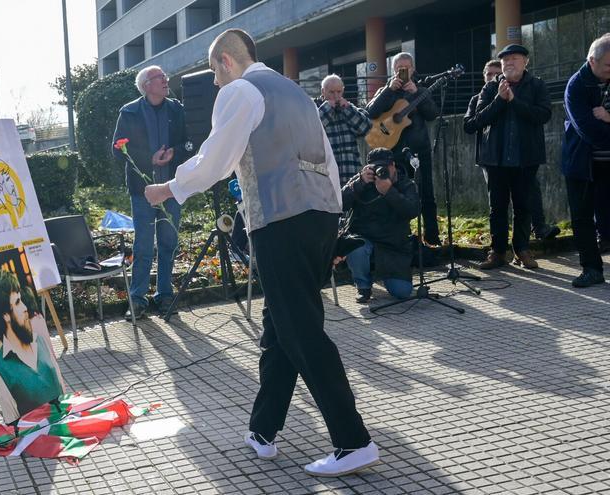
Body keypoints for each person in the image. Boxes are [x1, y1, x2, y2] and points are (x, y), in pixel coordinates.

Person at [143, 28, 377, 477]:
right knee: (281, 323)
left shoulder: (240, 91)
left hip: (280, 221)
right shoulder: (296, 92)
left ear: (227, 61)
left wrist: (168, 188)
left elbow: (215, 159)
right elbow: (327, 161)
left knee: (300, 330)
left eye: (215, 72)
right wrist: (330, 225)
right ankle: (263, 429)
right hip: (320, 215)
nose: (215, 82)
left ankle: (353, 441)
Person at [111, 65, 190, 319]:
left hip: (171, 188)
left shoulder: (177, 109)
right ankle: (137, 299)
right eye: (160, 77)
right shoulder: (129, 112)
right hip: (142, 191)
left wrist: (175, 152)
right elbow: (117, 150)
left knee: (168, 243)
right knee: (143, 245)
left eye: (165, 76)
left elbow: (191, 142)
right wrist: (149, 159)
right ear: (146, 85)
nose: (166, 80)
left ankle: (165, 295)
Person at [467, 44, 551, 270]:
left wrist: (514, 101)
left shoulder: (537, 85)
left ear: (526, 62)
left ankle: (522, 250)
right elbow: (477, 120)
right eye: (505, 60)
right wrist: (499, 100)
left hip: (526, 158)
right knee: (497, 208)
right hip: (495, 160)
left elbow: (543, 115)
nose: (509, 63)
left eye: (514, 58)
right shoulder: (490, 88)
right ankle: (497, 252)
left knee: (523, 206)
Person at [365, 52, 440, 246]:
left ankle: (432, 237)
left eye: (406, 68)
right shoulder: (385, 90)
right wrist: (388, 91)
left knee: (426, 192)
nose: (403, 72)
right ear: (393, 70)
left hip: (419, 149)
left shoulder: (421, 90)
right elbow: (369, 112)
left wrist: (416, 93)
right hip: (393, 152)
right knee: (395, 192)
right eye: (399, 69)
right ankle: (400, 237)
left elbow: (432, 114)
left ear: (413, 69)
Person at [0, 269, 64, 423]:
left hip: (64, 425)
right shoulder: (2, 371)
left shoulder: (40, 342)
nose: (25, 307)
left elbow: (62, 392)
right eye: (18, 302)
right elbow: (12, 423)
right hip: (35, 435)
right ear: (5, 315)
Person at [561, 33, 610, 287]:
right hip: (582, 163)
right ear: (592, 61)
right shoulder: (576, 86)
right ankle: (591, 269)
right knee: (582, 218)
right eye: (608, 65)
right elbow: (587, 129)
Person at [341, 148, 419, 303]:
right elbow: (339, 203)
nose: (381, 171)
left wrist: (389, 191)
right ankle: (363, 286)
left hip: (393, 245)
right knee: (355, 247)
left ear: (393, 165)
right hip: (364, 239)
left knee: (402, 292)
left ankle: (384, 275)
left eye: (385, 166)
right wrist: (359, 183)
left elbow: (412, 211)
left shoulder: (405, 183)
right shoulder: (362, 179)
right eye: (376, 167)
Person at [317, 74, 372, 184]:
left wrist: (348, 109)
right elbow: (314, 127)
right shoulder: (316, 110)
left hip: (352, 171)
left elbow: (365, 128)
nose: (336, 96)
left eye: (339, 92)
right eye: (331, 92)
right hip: (327, 173)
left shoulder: (350, 109)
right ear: (323, 92)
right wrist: (328, 108)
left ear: (343, 91)